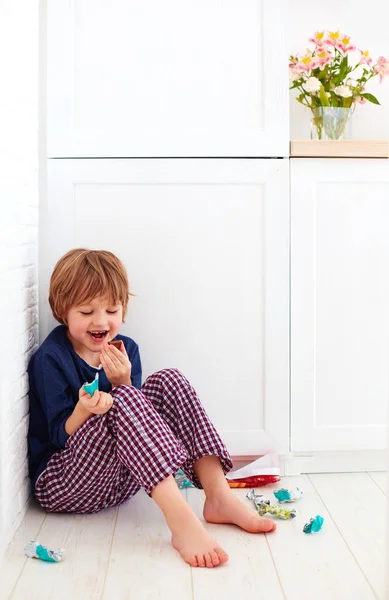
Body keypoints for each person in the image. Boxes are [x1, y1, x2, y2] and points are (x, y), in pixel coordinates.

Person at [28, 248, 276, 569]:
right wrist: (85, 409)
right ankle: (181, 521)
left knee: (166, 380)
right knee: (127, 399)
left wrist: (123, 382)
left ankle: (218, 496)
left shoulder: (126, 349)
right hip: (64, 484)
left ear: (124, 309)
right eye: (87, 312)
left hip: (118, 484)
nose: (101, 321)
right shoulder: (51, 358)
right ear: (62, 311)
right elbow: (59, 436)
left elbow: (141, 426)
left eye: (111, 310)